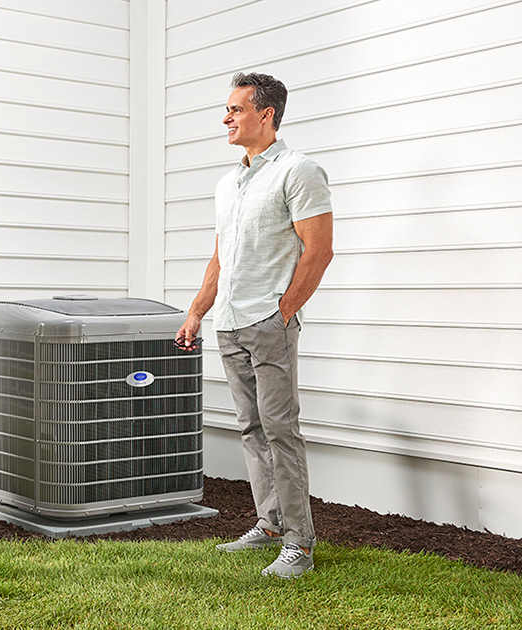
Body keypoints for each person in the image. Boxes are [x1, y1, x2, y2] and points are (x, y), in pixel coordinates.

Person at [175, 73, 334, 578]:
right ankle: (268, 523)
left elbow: (320, 251)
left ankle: (300, 544)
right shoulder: (229, 182)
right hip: (231, 322)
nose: (226, 118)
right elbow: (221, 257)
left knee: (281, 430)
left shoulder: (299, 171)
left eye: (235, 109)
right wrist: (198, 309)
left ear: (265, 114)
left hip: (269, 323)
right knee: (251, 428)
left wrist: (282, 311)